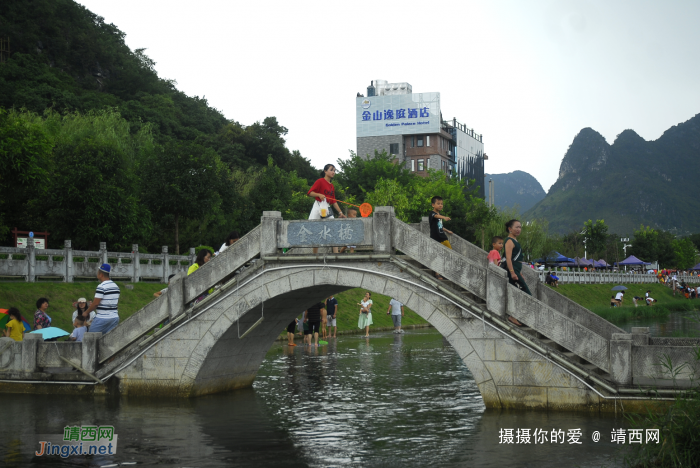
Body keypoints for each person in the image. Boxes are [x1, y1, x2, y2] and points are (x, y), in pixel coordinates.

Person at [307, 164, 346, 254]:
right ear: (325, 171)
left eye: (334, 170)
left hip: (326, 207)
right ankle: (315, 256)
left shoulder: (332, 186)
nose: (333, 172)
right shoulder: (320, 181)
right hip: (318, 206)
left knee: (333, 228)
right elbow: (309, 193)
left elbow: (333, 201)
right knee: (313, 230)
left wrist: (340, 212)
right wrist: (318, 194)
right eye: (331, 170)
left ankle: (336, 255)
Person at [504, 219, 531, 327]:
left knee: (519, 294)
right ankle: (513, 316)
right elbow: (508, 258)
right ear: (510, 229)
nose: (519, 229)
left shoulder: (515, 240)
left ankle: (514, 315)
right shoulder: (509, 241)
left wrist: (520, 273)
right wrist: (512, 272)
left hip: (516, 270)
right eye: (516, 227)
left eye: (520, 227)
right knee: (527, 294)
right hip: (512, 271)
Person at [83, 264, 121, 335]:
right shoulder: (116, 286)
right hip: (114, 318)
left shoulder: (101, 286)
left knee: (91, 338)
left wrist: (86, 312)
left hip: (102, 318)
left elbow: (96, 304)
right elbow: (113, 303)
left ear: (101, 275)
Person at [429, 196, 453, 280]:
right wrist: (444, 217)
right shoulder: (432, 214)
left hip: (443, 237)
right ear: (433, 204)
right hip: (436, 238)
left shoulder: (439, 216)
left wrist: (447, 231)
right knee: (437, 256)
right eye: (438, 203)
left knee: (450, 254)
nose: (440, 205)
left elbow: (440, 226)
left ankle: (446, 273)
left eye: (441, 204)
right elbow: (435, 216)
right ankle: (437, 274)